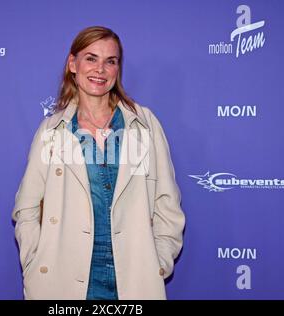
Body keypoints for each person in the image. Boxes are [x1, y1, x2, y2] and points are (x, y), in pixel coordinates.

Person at [12, 26, 185, 300]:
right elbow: (27, 207)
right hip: (62, 282)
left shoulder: (144, 125)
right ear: (73, 64)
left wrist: (159, 261)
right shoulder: (51, 131)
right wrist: (35, 260)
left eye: (110, 61)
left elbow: (167, 203)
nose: (100, 70)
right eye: (91, 58)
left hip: (133, 280)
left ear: (118, 69)